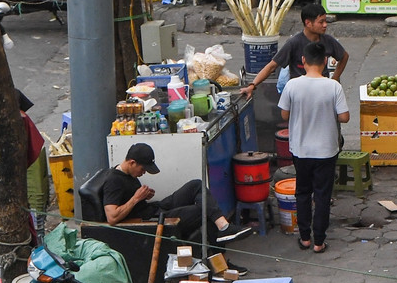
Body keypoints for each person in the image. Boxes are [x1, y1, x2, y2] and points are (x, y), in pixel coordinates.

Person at [101, 142, 251, 267]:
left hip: (153, 208)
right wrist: (135, 198)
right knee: (202, 210)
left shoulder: (128, 173)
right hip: (150, 219)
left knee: (196, 185)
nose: (143, 173)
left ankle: (223, 226)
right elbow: (112, 217)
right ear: (132, 162)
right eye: (143, 169)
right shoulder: (114, 181)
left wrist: (143, 197)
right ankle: (220, 265)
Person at [279, 42, 349, 254]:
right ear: (325, 61)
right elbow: (344, 117)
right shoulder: (333, 86)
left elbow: (284, 114)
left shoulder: (292, 85)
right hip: (326, 150)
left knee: (302, 192)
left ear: (303, 61)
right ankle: (319, 241)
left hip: (301, 149)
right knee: (322, 195)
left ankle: (305, 237)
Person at [242, 3, 349, 97]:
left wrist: (335, 79)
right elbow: (271, 66)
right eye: (321, 22)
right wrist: (252, 85)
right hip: (299, 94)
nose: (325, 25)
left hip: (323, 92)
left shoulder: (328, 41)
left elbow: (344, 56)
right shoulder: (294, 43)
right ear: (308, 23)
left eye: (325, 21)